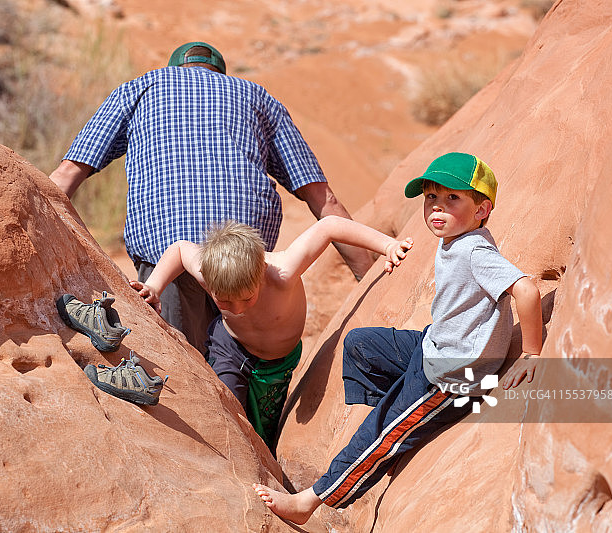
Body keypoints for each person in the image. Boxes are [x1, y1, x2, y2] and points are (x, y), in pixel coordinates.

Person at [253, 152, 543, 524]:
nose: (437, 208)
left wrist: (531, 352)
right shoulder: (456, 239)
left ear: (482, 209)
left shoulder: (475, 250)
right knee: (361, 344)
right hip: (434, 346)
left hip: (452, 377)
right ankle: (396, 421)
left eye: (452, 199)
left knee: (377, 433)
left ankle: (312, 499)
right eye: (431, 199)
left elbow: (526, 290)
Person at [49, 41, 374, 354]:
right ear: (220, 72)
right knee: (238, 381)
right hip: (245, 264)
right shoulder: (256, 96)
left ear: (176, 68)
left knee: (185, 381)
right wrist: (371, 282)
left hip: (168, 261)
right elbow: (322, 198)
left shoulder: (141, 87)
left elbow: (65, 176)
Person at [130, 217, 413, 450]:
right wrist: (154, 286)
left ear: (261, 273)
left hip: (279, 362)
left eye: (247, 298)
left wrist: (387, 244)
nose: (237, 309)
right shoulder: (208, 269)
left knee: (267, 429)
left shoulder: (282, 271)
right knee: (230, 411)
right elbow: (180, 249)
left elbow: (329, 226)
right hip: (231, 348)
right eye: (223, 302)